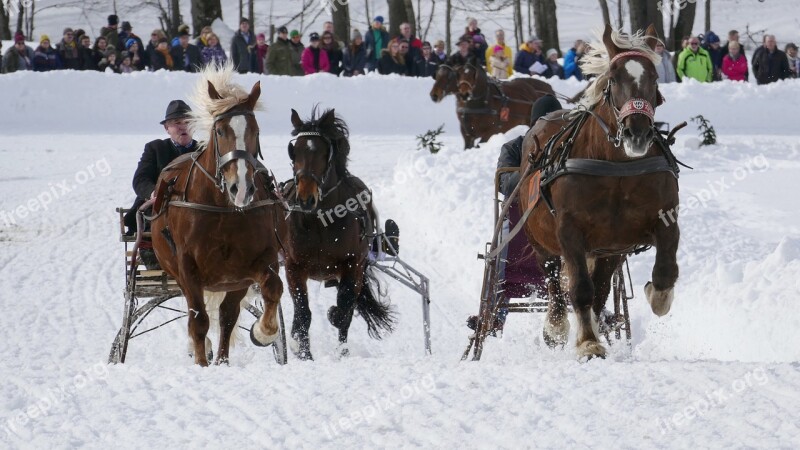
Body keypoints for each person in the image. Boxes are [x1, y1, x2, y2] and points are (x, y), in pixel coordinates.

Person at [466, 95, 563, 334]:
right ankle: (496, 314)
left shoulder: (569, 146)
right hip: (523, 217)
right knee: (505, 242)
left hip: (560, 216)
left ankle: (597, 311)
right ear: (535, 125)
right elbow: (505, 184)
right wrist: (538, 175)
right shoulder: (515, 147)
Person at [125, 101, 199, 269]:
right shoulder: (155, 148)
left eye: (188, 122)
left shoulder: (204, 150)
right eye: (177, 123)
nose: (183, 127)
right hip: (161, 210)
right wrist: (153, 193)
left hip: (196, 210)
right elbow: (140, 179)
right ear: (167, 128)